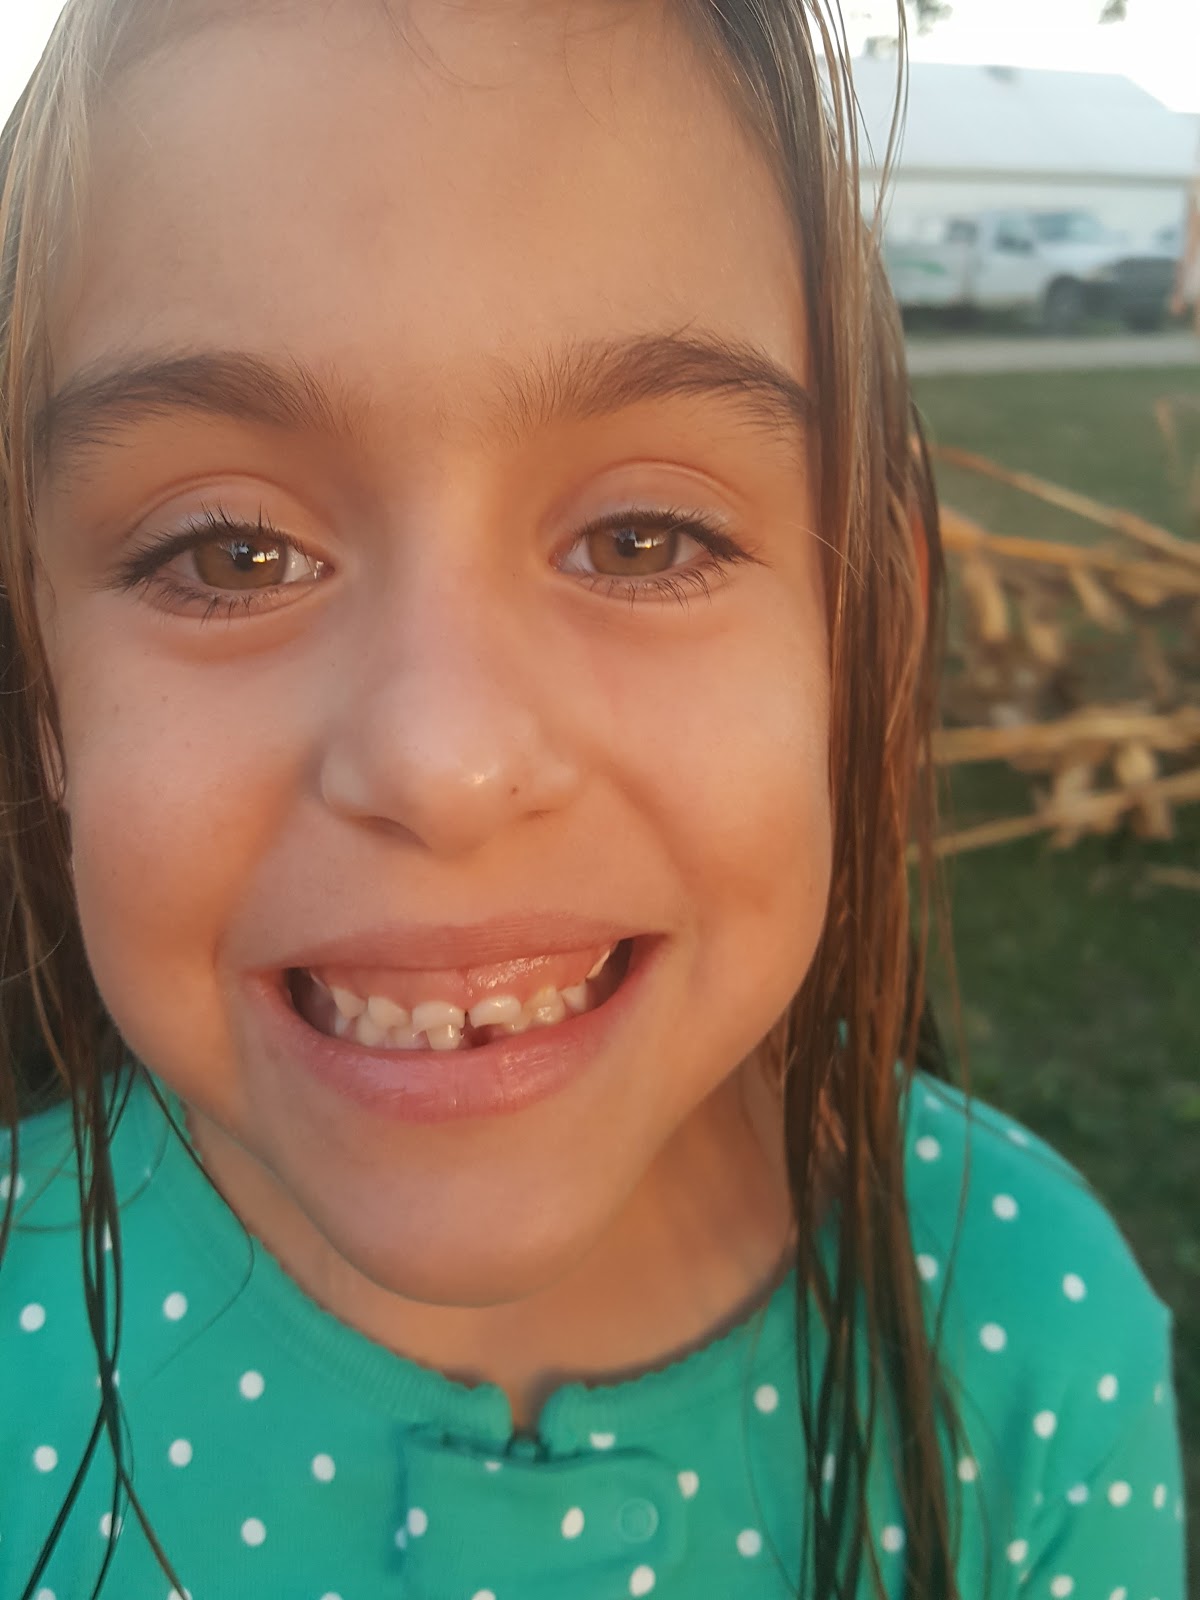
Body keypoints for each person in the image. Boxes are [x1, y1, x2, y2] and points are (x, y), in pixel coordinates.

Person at [0, 1, 1185, 1597]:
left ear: (867, 633)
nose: (444, 761)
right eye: (235, 553)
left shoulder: (1025, 1326)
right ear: (39, 675)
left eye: (642, 539)